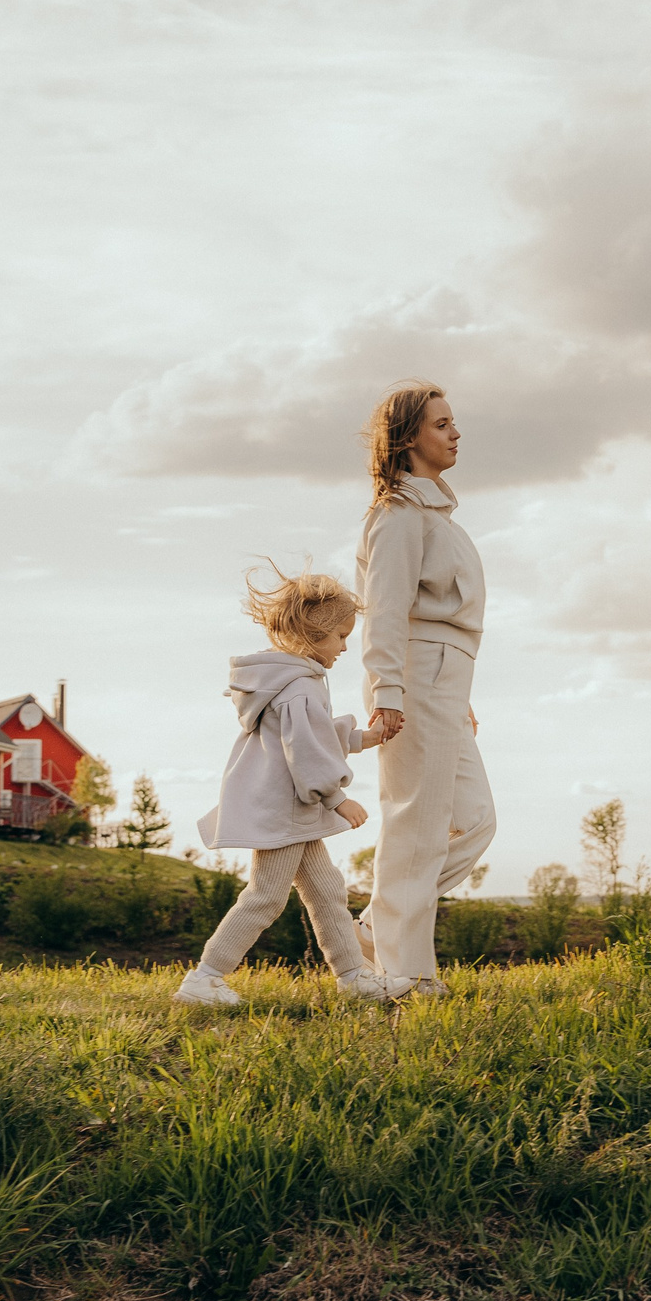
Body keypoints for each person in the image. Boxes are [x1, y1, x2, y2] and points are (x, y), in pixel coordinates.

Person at [176, 567, 405, 1009]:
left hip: (292, 811)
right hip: (287, 810)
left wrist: (363, 738)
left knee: (327, 893)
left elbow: (308, 737)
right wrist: (338, 798)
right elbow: (307, 752)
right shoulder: (299, 686)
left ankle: (354, 977)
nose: (343, 646)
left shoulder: (285, 680)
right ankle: (204, 979)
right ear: (313, 633)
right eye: (339, 635)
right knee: (264, 897)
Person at [354, 381, 494, 997]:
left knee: (474, 821)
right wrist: (389, 691)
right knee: (416, 823)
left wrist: (457, 690)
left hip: (445, 676)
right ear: (409, 437)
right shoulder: (398, 514)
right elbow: (384, 611)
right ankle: (406, 974)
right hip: (415, 676)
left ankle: (374, 928)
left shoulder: (437, 515)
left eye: (454, 422)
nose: (455, 432)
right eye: (442, 424)